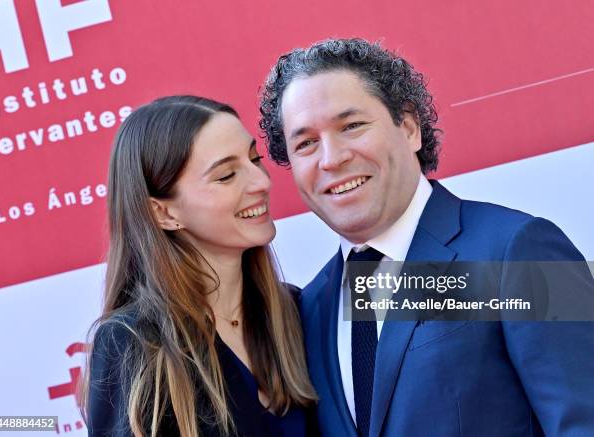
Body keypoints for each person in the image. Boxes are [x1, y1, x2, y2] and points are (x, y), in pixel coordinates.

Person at [259, 38, 594, 436]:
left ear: (410, 127)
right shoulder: (311, 307)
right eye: (306, 143)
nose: (331, 158)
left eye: (351, 126)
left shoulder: (518, 250)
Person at [80, 95, 318, 437]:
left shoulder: (296, 309)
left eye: (255, 159)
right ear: (163, 213)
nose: (261, 182)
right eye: (225, 176)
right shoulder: (136, 342)